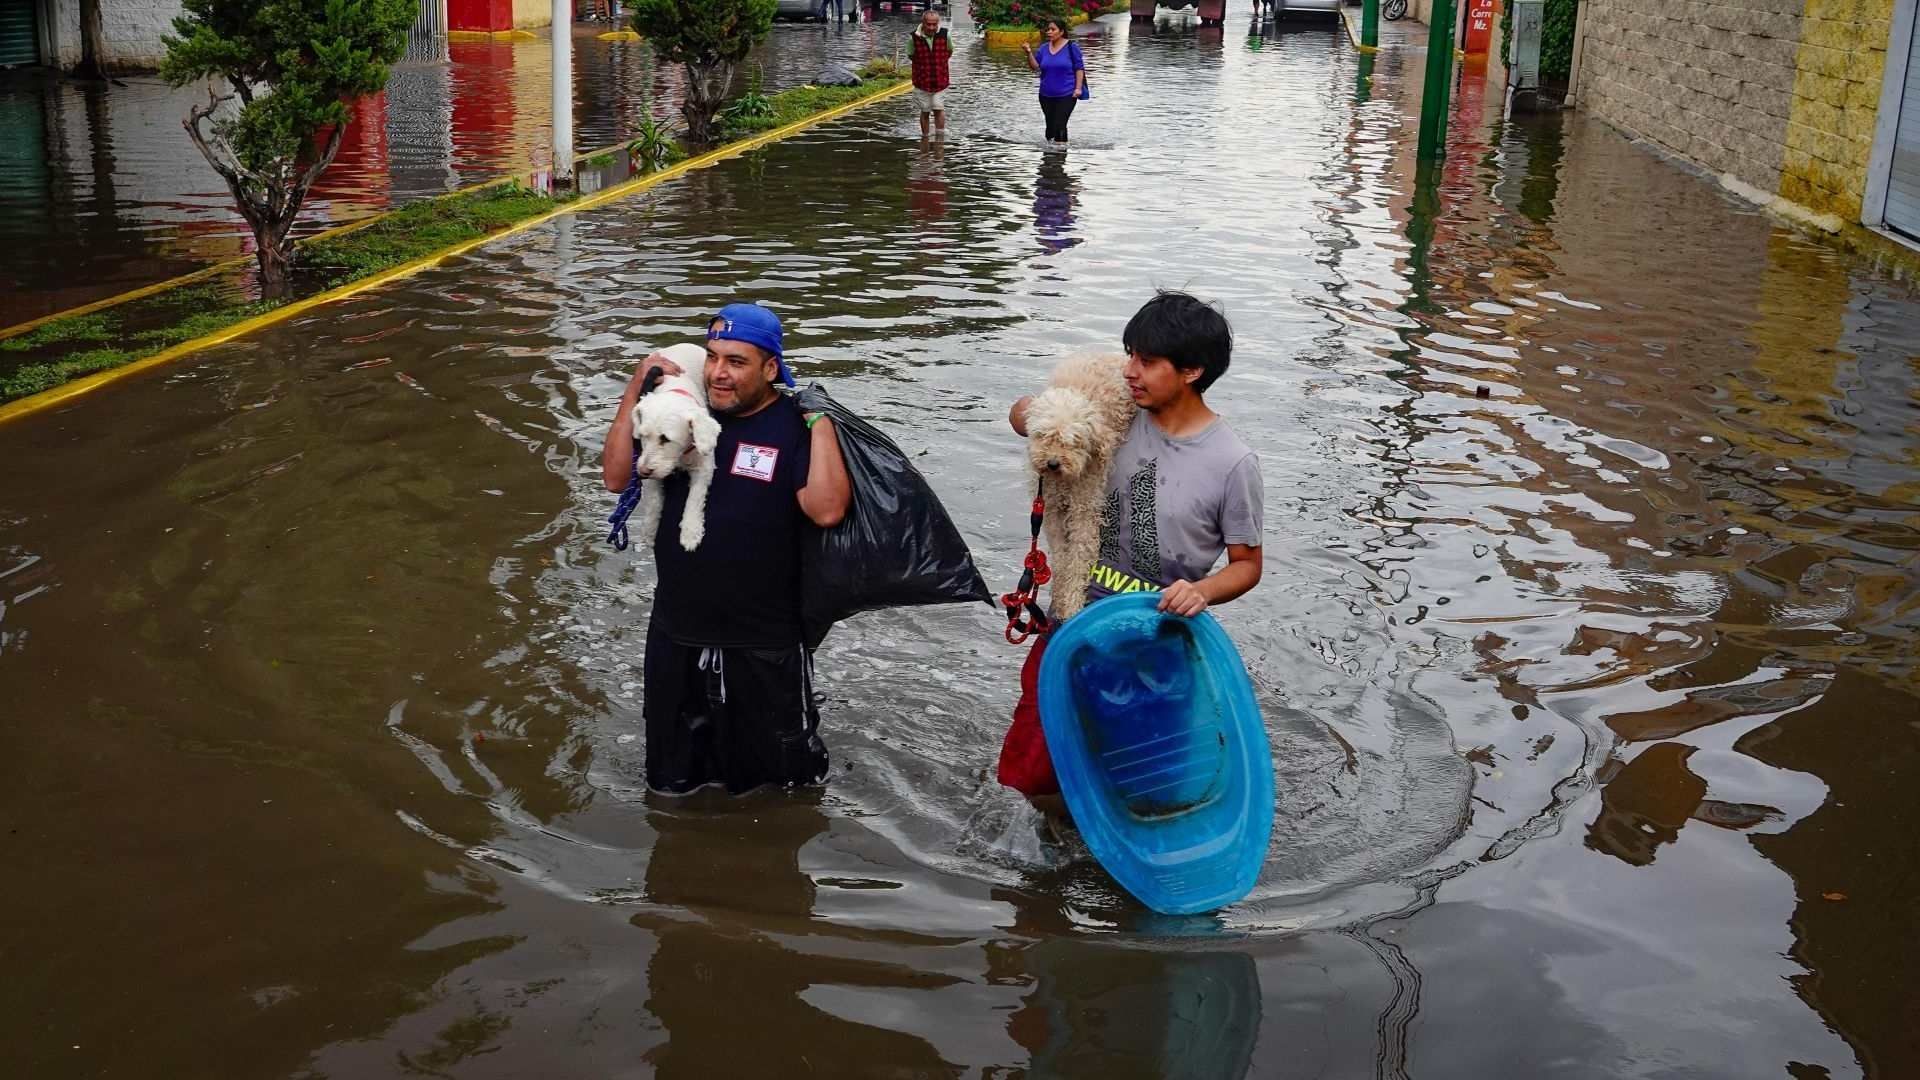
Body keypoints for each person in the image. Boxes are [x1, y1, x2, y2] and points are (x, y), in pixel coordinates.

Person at [997, 291, 1264, 801]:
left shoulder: (1232, 463)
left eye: (1147, 361)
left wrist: (1203, 592)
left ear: (1191, 371)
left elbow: (1247, 565)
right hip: (1073, 626)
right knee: (1028, 778)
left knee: (1145, 786)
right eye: (1129, 355)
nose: (1130, 370)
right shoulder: (1107, 417)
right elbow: (1022, 418)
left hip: (1155, 638)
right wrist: (1035, 408)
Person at [601, 303, 852, 795]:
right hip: (677, 632)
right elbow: (615, 478)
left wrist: (821, 422)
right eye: (713, 357)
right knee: (671, 786)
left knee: (784, 788)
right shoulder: (680, 415)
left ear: (770, 369)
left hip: (765, 642)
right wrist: (636, 387)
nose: (718, 372)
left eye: (736, 362)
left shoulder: (792, 424)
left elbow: (825, 510)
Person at [1022, 18, 1085, 146]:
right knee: (1050, 126)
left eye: (1053, 29)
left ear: (1061, 32)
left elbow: (1079, 68)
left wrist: (1078, 88)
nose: (1049, 32)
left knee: (1060, 124)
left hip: (1067, 94)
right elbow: (1035, 67)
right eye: (1048, 29)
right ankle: (1049, 158)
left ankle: (1060, 156)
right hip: (1045, 95)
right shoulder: (1044, 48)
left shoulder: (1071, 47)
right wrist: (1028, 53)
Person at [909, 7, 952, 137]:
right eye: (929, 24)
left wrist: (940, 64)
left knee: (938, 107)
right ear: (923, 23)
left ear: (938, 23)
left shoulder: (945, 35)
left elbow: (949, 51)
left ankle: (940, 137)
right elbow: (911, 55)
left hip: (940, 79)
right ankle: (925, 137)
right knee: (925, 110)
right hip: (922, 81)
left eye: (934, 24)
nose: (932, 27)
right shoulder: (913, 38)